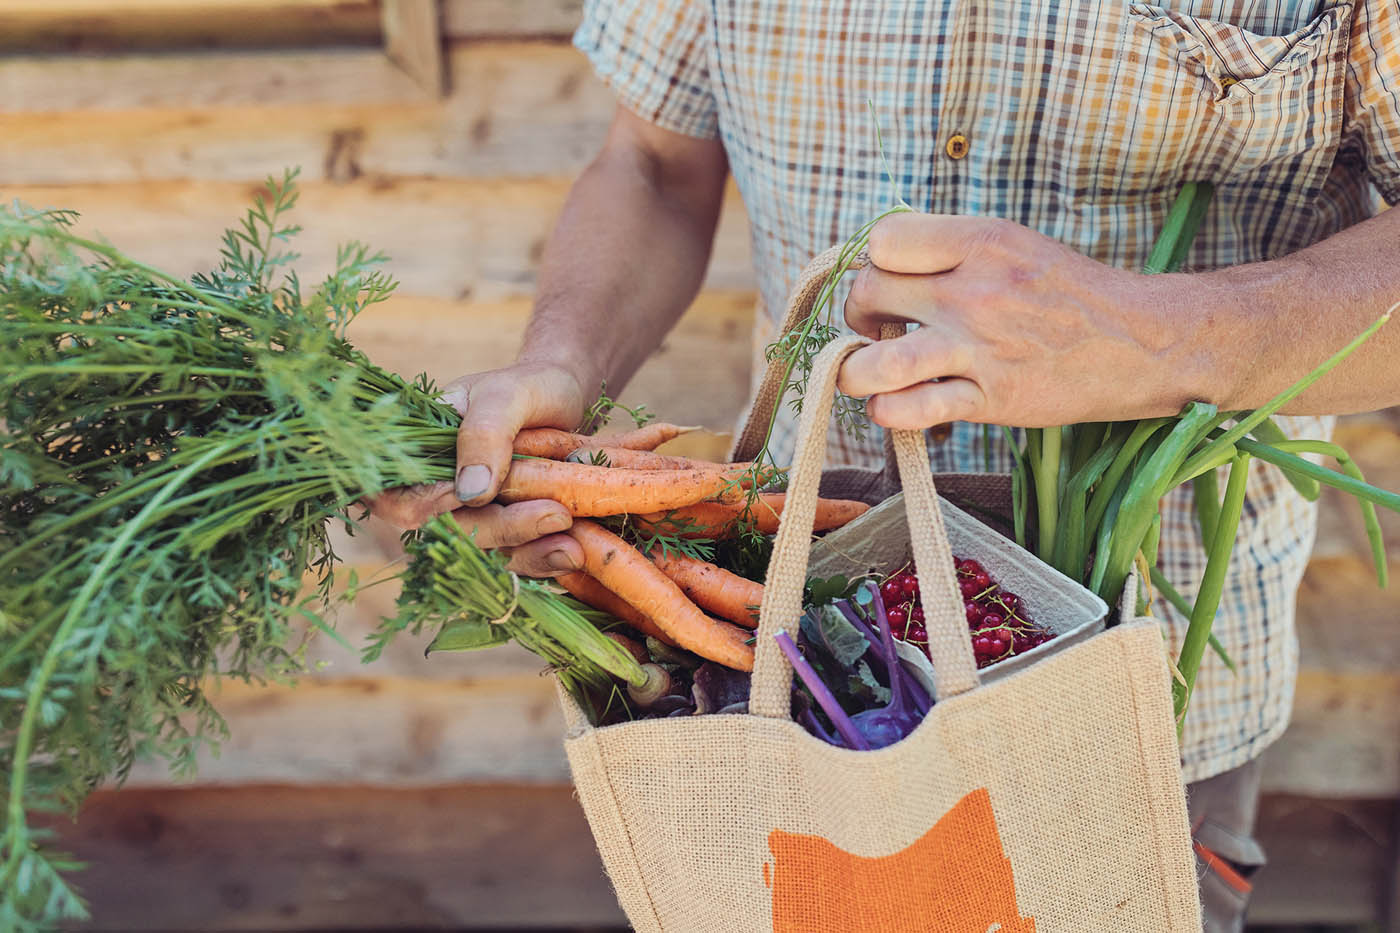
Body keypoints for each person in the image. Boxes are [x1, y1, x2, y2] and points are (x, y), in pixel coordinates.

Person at [373, 1, 1400, 927]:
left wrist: (1149, 336)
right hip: (777, 659)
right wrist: (560, 361)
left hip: (1140, 689)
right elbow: (651, 160)